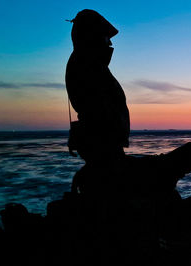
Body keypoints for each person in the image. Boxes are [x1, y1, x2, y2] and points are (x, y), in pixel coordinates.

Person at [65, 9, 130, 193]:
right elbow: (96, 108)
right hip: (103, 144)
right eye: (105, 37)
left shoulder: (90, 63)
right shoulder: (86, 64)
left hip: (104, 142)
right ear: (92, 36)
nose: (110, 43)